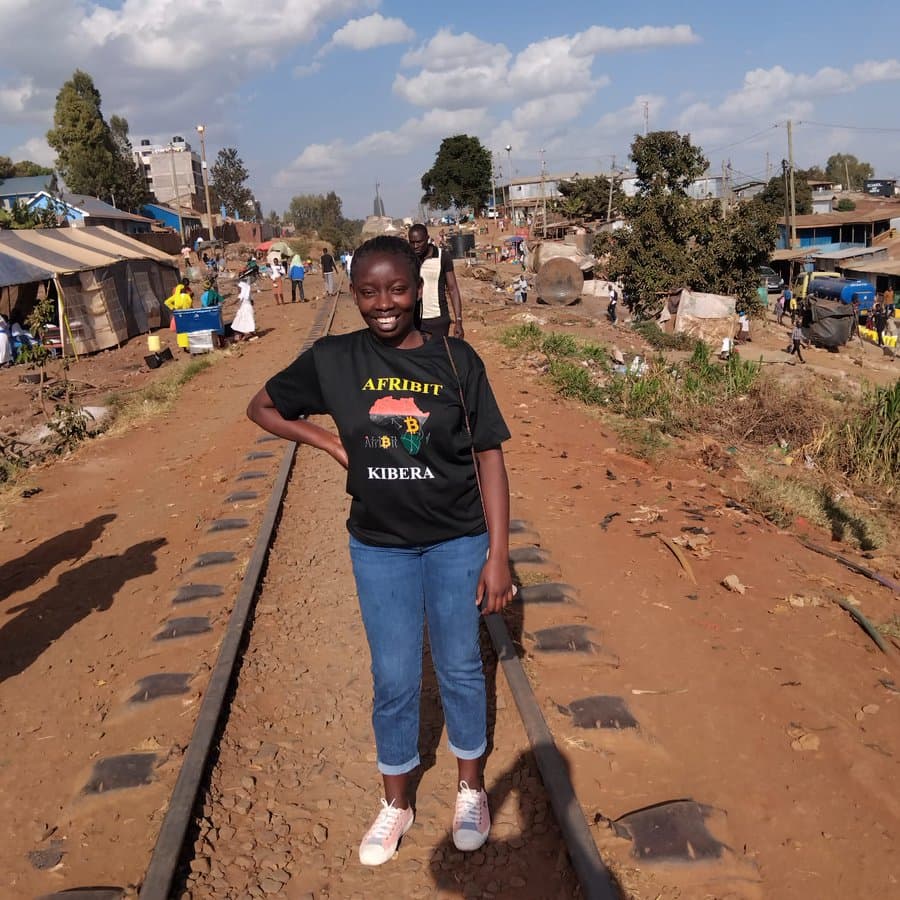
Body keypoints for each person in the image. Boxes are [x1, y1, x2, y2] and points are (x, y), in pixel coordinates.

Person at [247, 235, 513, 868]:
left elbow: (490, 456)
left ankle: (470, 788)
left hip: (457, 539)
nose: (384, 303)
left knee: (459, 667)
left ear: (416, 290)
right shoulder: (334, 359)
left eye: (397, 289)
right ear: (355, 292)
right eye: (369, 291)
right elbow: (261, 407)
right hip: (381, 548)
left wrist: (498, 554)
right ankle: (396, 803)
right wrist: (329, 442)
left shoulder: (456, 360)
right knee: (394, 677)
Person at [407, 223, 464, 340]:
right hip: (414, 321)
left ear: (428, 239)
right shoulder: (407, 259)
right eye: (412, 242)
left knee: (438, 355)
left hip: (438, 320)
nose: (415, 246)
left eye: (419, 242)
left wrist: (458, 321)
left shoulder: (442, 257)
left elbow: (452, 289)